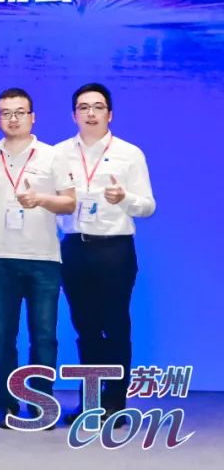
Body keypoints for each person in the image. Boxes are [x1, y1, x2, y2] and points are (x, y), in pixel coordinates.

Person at [55, 83, 155, 424]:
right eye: (83, 107)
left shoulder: (130, 153)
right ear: (74, 115)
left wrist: (124, 198)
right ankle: (90, 402)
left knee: (115, 326)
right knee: (85, 327)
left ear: (109, 114)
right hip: (75, 247)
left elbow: (148, 206)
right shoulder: (59, 154)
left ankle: (116, 402)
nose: (91, 113)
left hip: (115, 249)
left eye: (98, 107)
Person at [0, 89, 75, 428]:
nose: (13, 118)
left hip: (44, 259)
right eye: (6, 112)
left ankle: (40, 404)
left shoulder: (53, 155)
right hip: (1, 259)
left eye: (20, 112)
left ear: (33, 117)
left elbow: (69, 202)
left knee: (44, 336)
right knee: (2, 337)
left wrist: (41, 199)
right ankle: (6, 407)